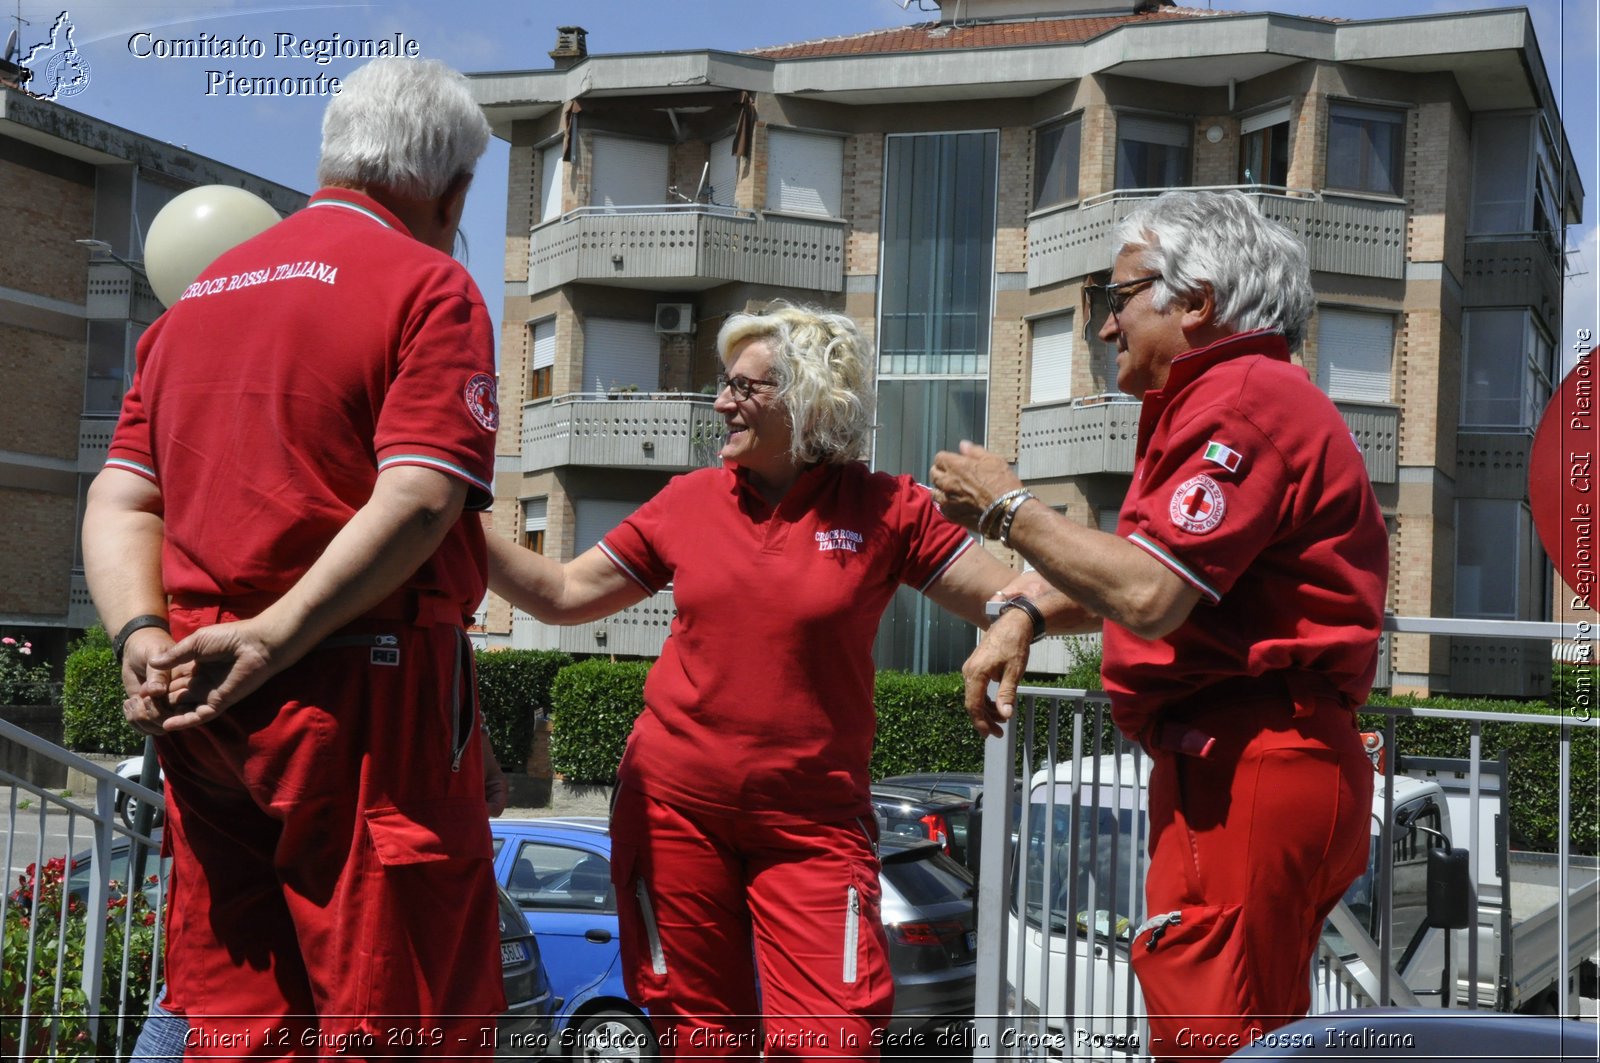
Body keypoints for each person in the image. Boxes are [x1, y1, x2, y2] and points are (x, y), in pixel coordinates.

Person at [81, 57, 507, 1058]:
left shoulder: (196, 303)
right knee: (395, 1013)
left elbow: (121, 493)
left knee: (236, 1007)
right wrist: (278, 631)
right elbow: (418, 497)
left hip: (198, 691)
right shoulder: (429, 288)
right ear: (453, 189)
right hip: (359, 697)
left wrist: (140, 632)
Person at [488, 303, 1039, 1059]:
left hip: (813, 826)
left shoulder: (887, 510)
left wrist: (1015, 618)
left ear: (810, 399)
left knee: (835, 1042)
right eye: (726, 385)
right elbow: (561, 593)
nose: (722, 403)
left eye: (746, 389)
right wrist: (446, 506)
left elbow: (1022, 592)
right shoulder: (688, 501)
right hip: (674, 809)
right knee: (701, 1037)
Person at [930, 190, 1388, 1060]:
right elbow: (1157, 568)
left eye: (1117, 297)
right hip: (1242, 753)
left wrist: (1006, 508)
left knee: (1214, 1032)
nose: (1106, 327)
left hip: (1252, 754)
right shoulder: (1238, 397)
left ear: (1197, 300)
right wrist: (1025, 605)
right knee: (1235, 1019)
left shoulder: (1240, 402)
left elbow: (1146, 593)